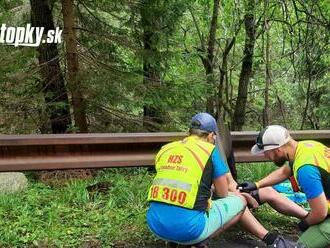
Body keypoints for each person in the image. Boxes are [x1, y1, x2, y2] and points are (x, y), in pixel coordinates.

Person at [146, 113, 301, 248]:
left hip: (155, 224)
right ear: (211, 136)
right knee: (240, 203)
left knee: (251, 194)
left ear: (189, 132)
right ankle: (270, 239)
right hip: (189, 229)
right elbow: (222, 193)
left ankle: (175, 241)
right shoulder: (209, 151)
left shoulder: (166, 149)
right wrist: (243, 196)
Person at [238, 125, 330, 248]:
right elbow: (285, 172)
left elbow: (320, 212)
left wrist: (304, 224)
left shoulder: (305, 170)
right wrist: (256, 184)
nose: (265, 156)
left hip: (324, 213)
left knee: (299, 246)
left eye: (266, 152)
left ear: (278, 150)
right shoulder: (305, 147)